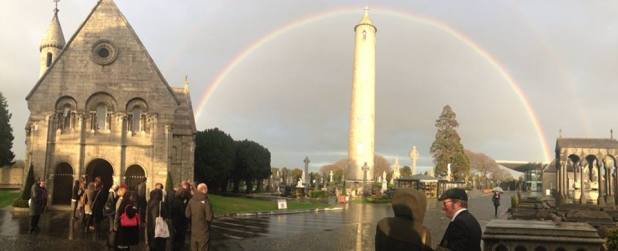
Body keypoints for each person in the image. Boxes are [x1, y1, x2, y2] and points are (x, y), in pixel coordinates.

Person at [185, 183, 213, 251]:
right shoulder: (206, 201)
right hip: (203, 231)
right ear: (204, 190)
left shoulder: (191, 200)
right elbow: (209, 217)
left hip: (194, 231)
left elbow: (187, 214)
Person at [171, 181, 192, 250]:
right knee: (181, 239)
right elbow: (184, 214)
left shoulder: (174, 201)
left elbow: (171, 212)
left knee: (174, 238)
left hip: (175, 222)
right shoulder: (182, 203)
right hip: (182, 223)